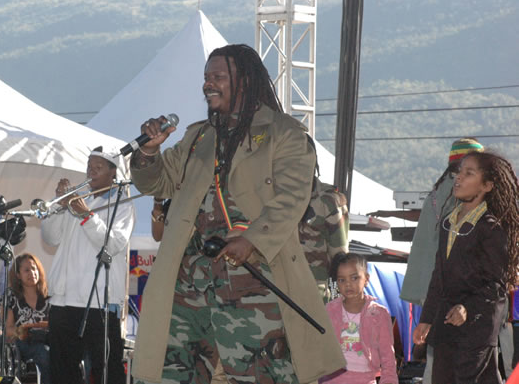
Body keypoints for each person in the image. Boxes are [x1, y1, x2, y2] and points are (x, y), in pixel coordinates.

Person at [130, 44, 344, 384]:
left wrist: (253, 240)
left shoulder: (283, 133)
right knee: (172, 371)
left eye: (217, 77)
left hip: (253, 281)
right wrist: (147, 153)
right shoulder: (198, 136)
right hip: (190, 283)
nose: (207, 84)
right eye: (205, 77)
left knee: (259, 374)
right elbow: (158, 182)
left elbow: (292, 197)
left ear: (243, 80)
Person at [371, 138, 484, 383]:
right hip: (446, 283)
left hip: (432, 281)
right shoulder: (458, 192)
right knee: (447, 352)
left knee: (437, 349)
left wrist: (389, 213)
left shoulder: (441, 187)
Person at [413, 151, 519, 383]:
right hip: (446, 324)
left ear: (488, 186)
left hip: (477, 327)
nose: (459, 178)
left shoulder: (491, 228)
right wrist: (427, 318)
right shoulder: (448, 222)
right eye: (459, 172)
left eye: (469, 173)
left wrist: (467, 308)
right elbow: (439, 275)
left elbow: (496, 285)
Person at [41, 147, 135, 384]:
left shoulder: (122, 205)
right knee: (62, 371)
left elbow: (112, 245)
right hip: (64, 300)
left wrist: (86, 215)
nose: (91, 172)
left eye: (98, 167)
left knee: (106, 370)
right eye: (89, 166)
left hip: (98, 304)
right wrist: (59, 206)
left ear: (113, 173)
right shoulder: (77, 200)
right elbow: (51, 238)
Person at [320, 252, 398, 384]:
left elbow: (388, 356)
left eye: (354, 278)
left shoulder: (379, 314)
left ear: (366, 279)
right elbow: (319, 347)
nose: (348, 284)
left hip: (365, 379)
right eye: (342, 280)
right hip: (331, 378)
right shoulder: (329, 310)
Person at [298, 140, 349, 303]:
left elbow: (339, 259)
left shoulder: (327, 200)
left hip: (315, 292)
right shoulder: (270, 197)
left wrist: (336, 299)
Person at [5, 253, 50, 384]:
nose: (32, 273)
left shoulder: (49, 295)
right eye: (26, 270)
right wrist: (23, 330)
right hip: (24, 343)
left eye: (34, 268)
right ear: (18, 275)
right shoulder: (11, 297)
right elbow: (7, 329)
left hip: (48, 339)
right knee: (43, 353)